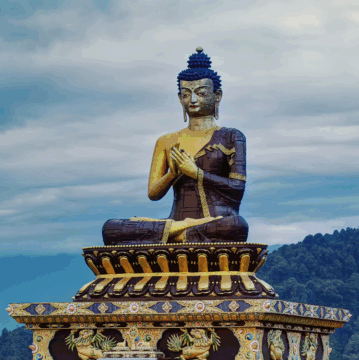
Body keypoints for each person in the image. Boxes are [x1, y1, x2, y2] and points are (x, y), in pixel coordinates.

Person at [101, 48, 248, 246]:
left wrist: (197, 173)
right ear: (180, 98)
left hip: (217, 221)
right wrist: (172, 174)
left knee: (236, 226)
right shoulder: (167, 141)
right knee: (111, 228)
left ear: (217, 96)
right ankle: (178, 231)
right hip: (177, 221)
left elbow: (237, 188)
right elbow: (153, 194)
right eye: (187, 94)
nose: (193, 100)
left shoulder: (232, 136)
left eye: (202, 93)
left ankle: (167, 237)